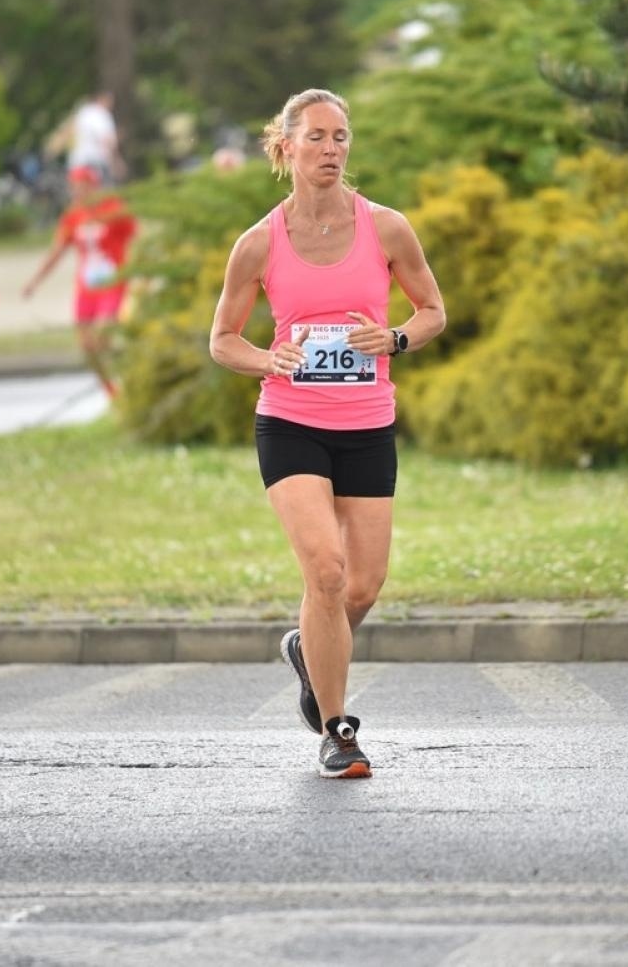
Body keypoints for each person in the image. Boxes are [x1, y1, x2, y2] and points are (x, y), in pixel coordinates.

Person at [209, 89, 446, 778]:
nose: (331, 150)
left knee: (362, 588)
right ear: (284, 149)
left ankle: (309, 653)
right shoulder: (258, 243)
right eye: (315, 138)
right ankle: (338, 730)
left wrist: (396, 337)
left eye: (340, 137)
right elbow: (222, 338)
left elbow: (434, 310)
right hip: (289, 423)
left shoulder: (388, 229)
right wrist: (265, 357)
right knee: (327, 570)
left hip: (367, 424)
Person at [22, 165, 137, 399]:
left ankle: (131, 370)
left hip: (112, 283)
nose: (78, 193)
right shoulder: (73, 216)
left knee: (103, 336)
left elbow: (135, 238)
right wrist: (35, 282)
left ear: (94, 187)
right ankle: (112, 392)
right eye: (74, 188)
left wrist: (137, 271)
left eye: (82, 187)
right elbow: (57, 251)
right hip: (86, 287)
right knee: (88, 348)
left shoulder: (113, 208)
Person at [67, 92, 122, 185]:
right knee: (102, 194)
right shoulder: (102, 114)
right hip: (96, 162)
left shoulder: (84, 112)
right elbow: (107, 139)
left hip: (78, 161)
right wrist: (116, 161)